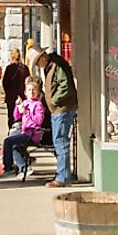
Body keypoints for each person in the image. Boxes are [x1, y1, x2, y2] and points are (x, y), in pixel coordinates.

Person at [35, 47, 78, 188]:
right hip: (59, 108)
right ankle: (63, 174)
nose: (37, 66)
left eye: (37, 62)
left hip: (62, 108)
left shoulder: (57, 66)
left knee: (60, 141)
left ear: (43, 58)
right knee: (59, 141)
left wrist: (54, 100)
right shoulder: (52, 65)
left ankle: (63, 177)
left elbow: (64, 86)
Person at [0, 78, 47, 179]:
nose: (31, 92)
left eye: (34, 90)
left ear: (38, 92)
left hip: (33, 134)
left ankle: (10, 168)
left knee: (8, 141)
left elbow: (38, 121)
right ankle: (24, 167)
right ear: (25, 92)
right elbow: (17, 117)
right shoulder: (25, 103)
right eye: (29, 90)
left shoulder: (38, 105)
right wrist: (18, 106)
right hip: (25, 132)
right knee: (13, 144)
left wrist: (26, 112)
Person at [2, 48, 30, 126]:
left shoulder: (9, 68)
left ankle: (11, 132)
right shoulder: (25, 68)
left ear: (11, 57)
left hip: (11, 96)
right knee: (23, 115)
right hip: (23, 96)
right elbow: (28, 81)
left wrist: (7, 92)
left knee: (11, 116)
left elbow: (4, 82)